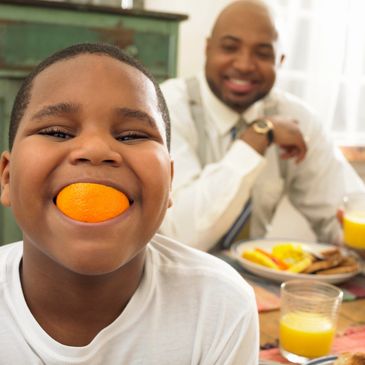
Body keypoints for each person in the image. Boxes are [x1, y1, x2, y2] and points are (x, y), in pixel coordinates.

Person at [0, 43, 259, 364]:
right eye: (57, 132)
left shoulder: (220, 306)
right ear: (8, 178)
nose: (95, 149)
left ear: (168, 185)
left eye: (132, 136)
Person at [159, 0, 365, 251]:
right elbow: (183, 235)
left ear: (281, 60)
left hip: (257, 281)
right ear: (207, 49)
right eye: (230, 47)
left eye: (263, 53)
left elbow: (343, 212)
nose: (244, 65)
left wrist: (351, 237)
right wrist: (257, 137)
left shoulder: (298, 119)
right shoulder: (166, 107)